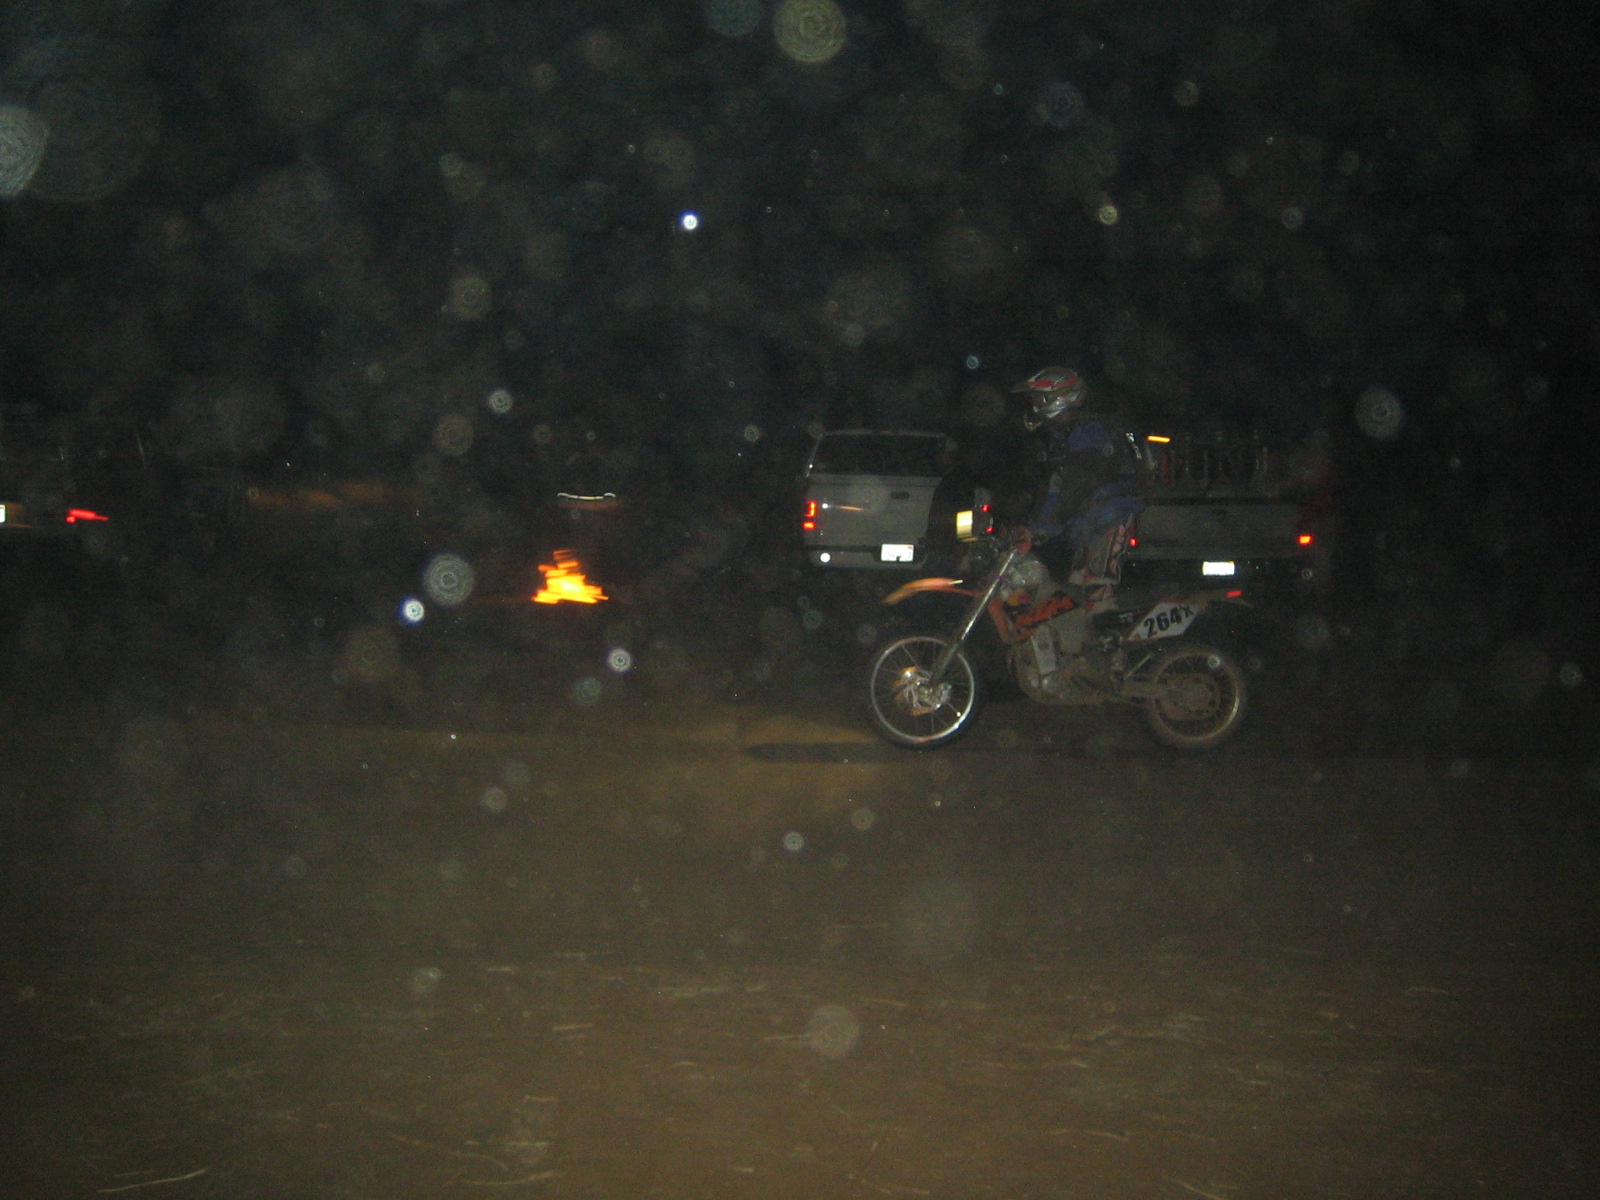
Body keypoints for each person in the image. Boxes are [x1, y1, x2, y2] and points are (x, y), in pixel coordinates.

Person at [1010, 366, 1148, 611]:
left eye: (1039, 399)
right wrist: (1031, 526)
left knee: (1096, 590)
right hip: (1086, 523)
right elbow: (1055, 489)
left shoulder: (1088, 432)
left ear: (1061, 399)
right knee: (1070, 591)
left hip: (1109, 519)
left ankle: (1108, 631)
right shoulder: (1061, 435)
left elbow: (1077, 485)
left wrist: (1044, 527)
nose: (1034, 406)